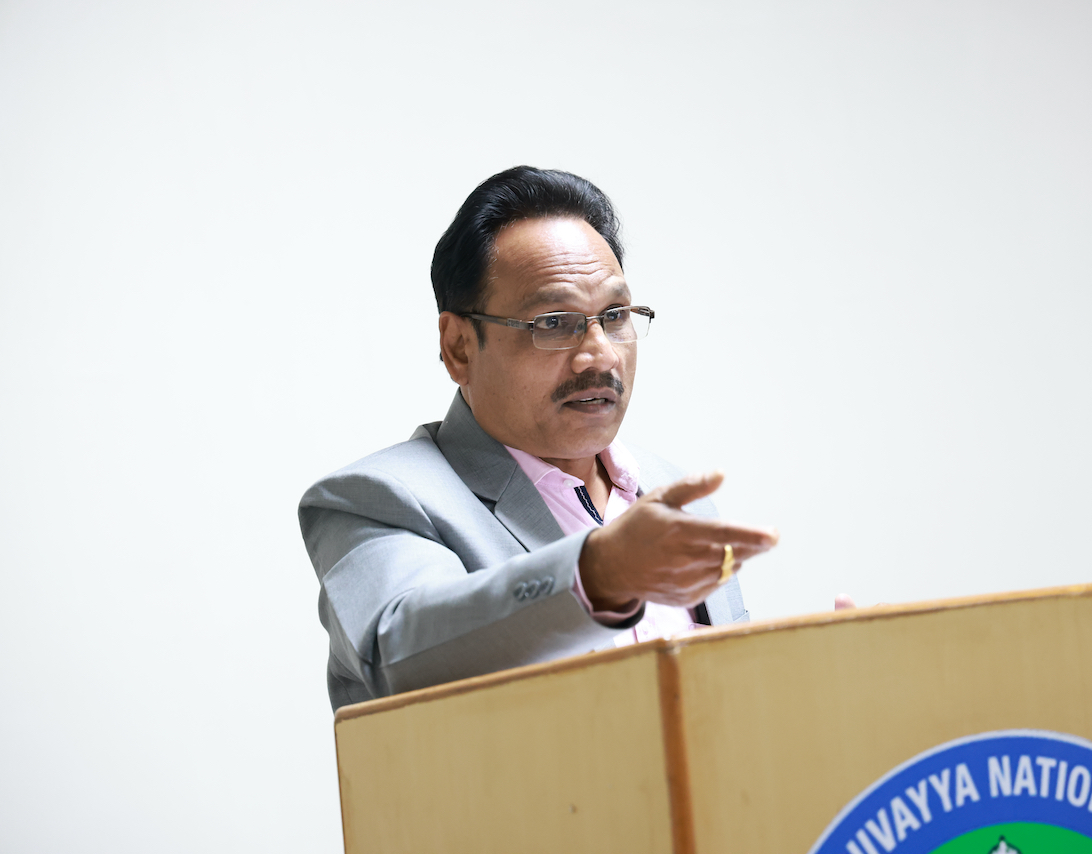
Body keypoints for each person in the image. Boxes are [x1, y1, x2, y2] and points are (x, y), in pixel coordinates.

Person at [299, 166, 779, 712]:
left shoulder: (671, 492)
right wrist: (597, 574)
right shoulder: (380, 498)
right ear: (458, 347)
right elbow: (404, 657)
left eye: (614, 315)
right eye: (553, 322)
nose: (600, 355)